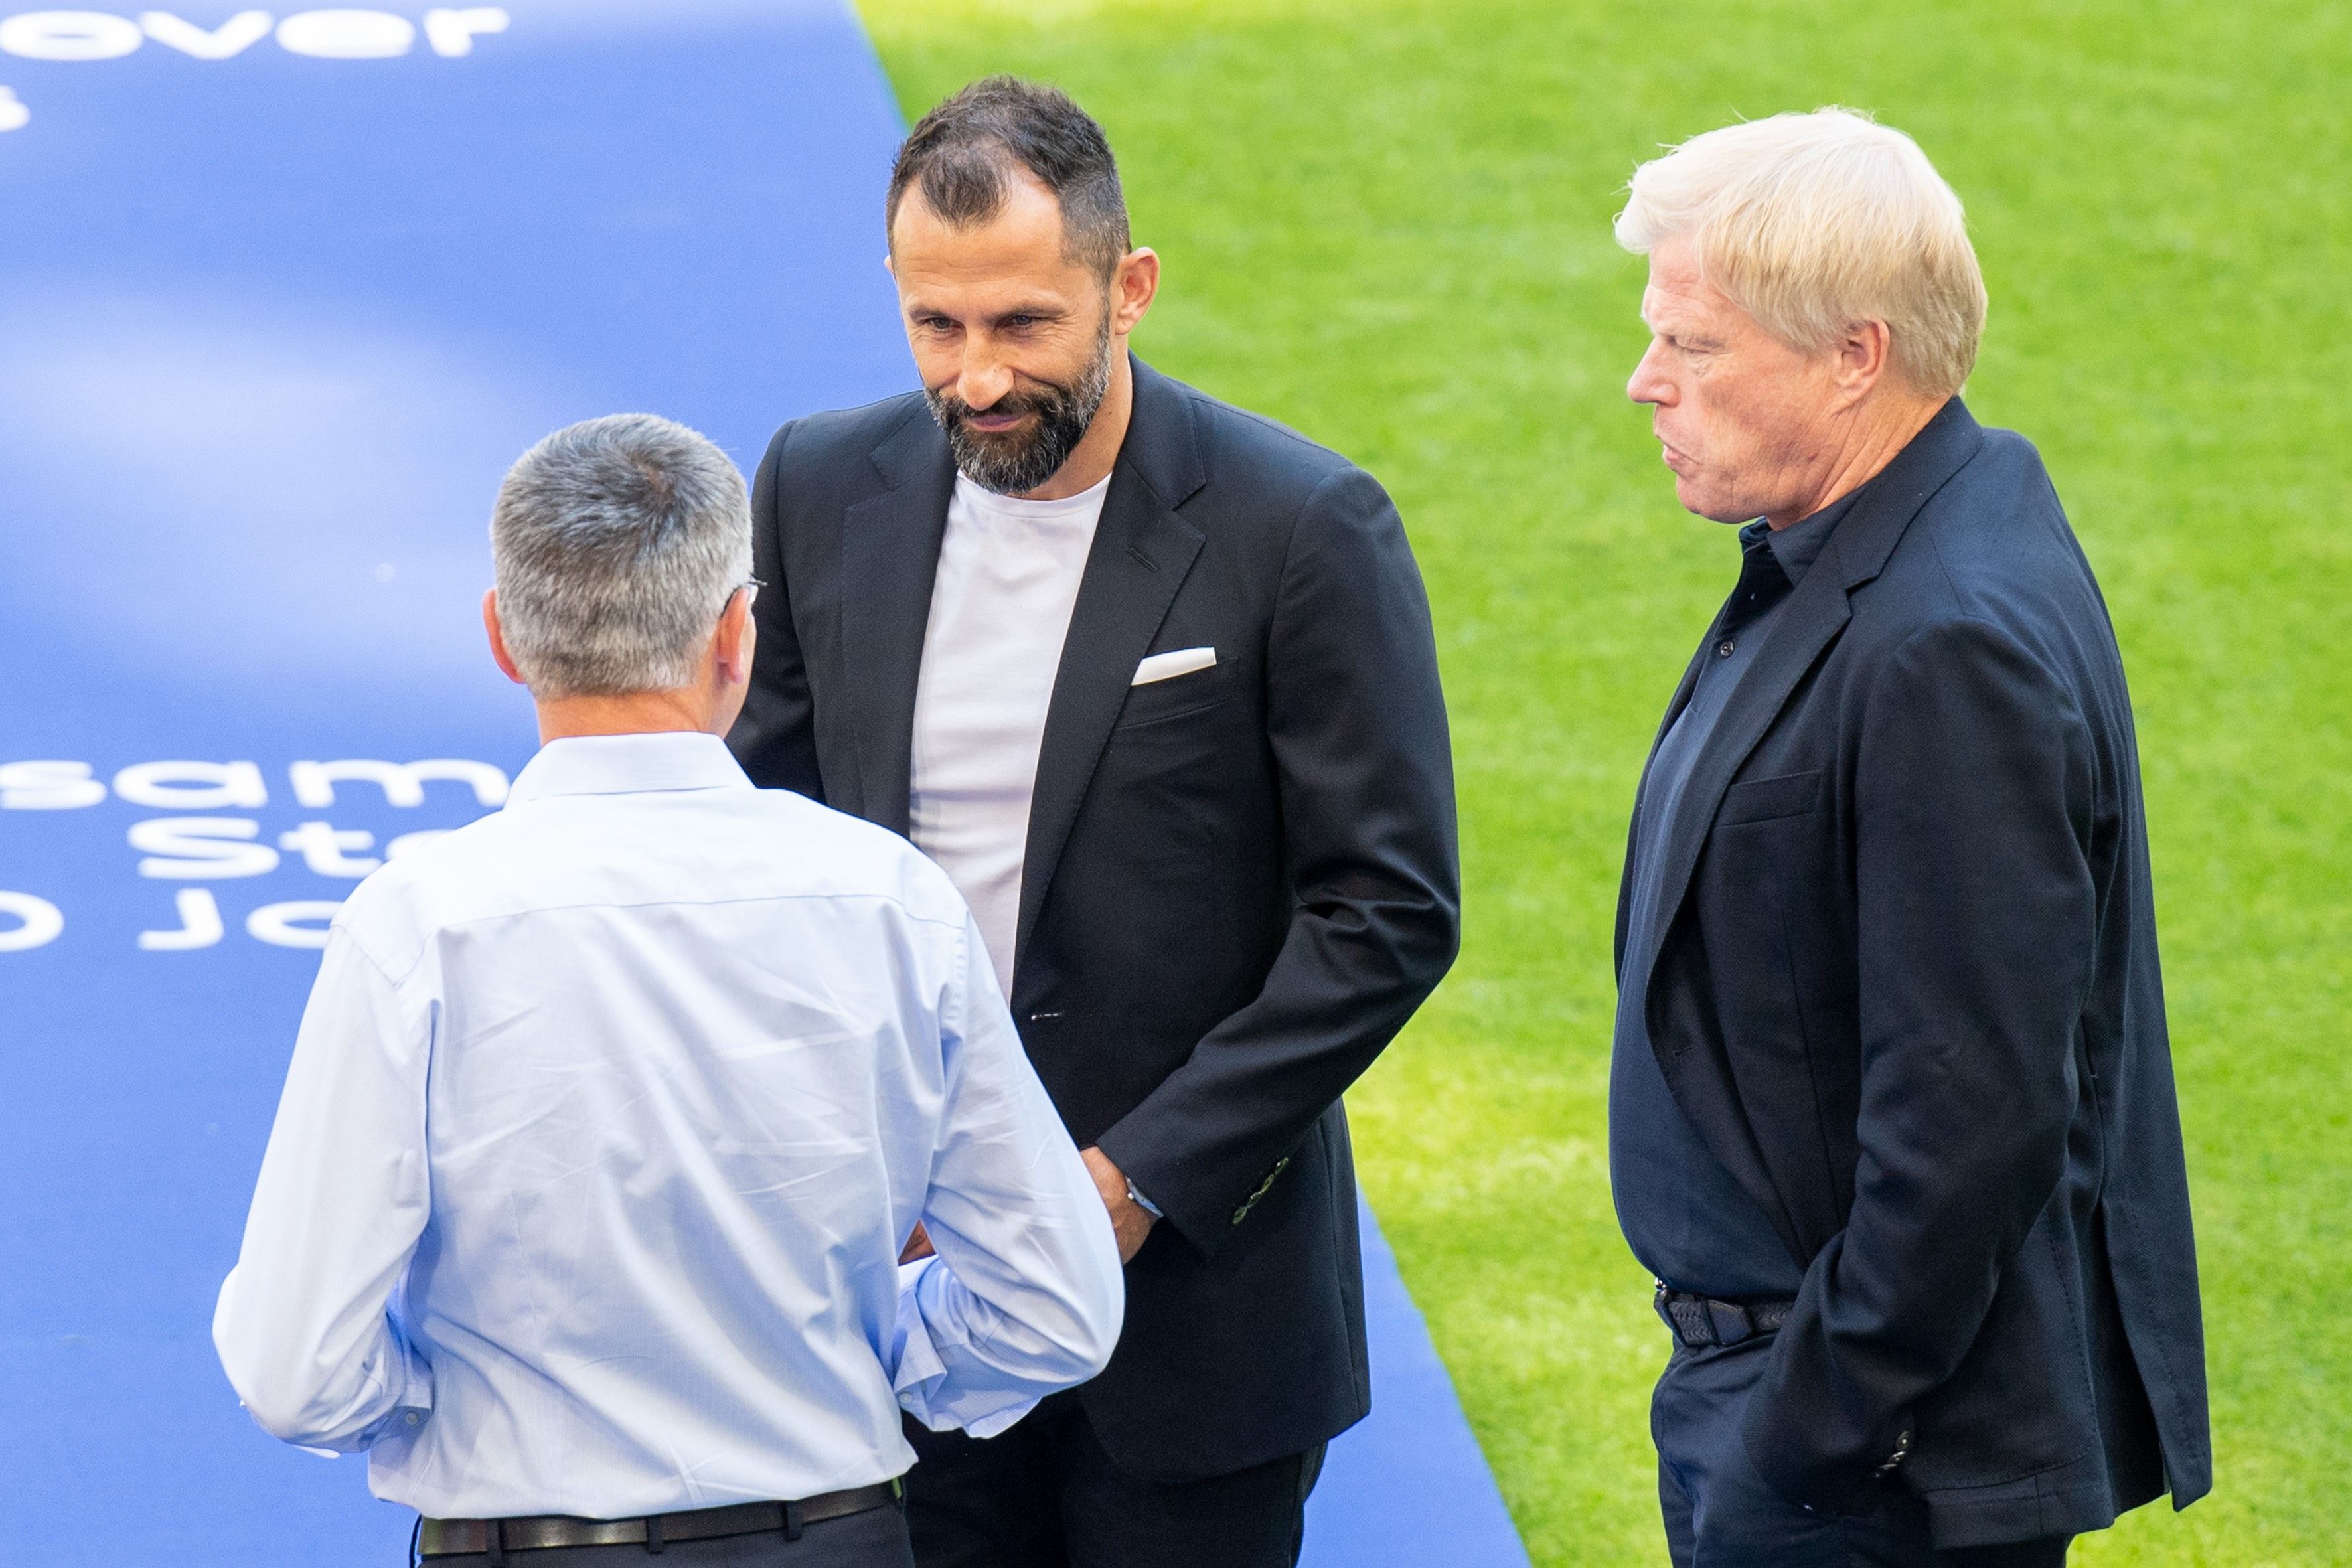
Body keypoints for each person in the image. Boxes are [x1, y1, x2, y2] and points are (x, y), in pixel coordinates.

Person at [728, 77, 1459, 1568]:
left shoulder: (1300, 526)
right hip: (906, 1298)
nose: (978, 377)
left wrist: (1133, 1181)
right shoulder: (814, 486)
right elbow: (767, 845)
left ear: (1129, 287)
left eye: (1023, 324)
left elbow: (1385, 911)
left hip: (1193, 1318)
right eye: (936, 325)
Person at [212, 414, 1124, 1567]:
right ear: (738, 633)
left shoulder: (419, 924)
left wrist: (446, 1408)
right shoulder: (891, 900)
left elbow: (294, 1371)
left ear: (503, 637)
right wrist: (874, 1354)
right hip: (837, 1535)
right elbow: (1055, 1306)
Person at [1607, 108, 2211, 1566]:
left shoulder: (1946, 639)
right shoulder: (1895, 534)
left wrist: (1807, 1428)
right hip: (1820, 1421)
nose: (1645, 381)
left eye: (1693, 344)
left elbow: (1971, 1113)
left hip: (1869, 1467)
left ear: (1853, 356)